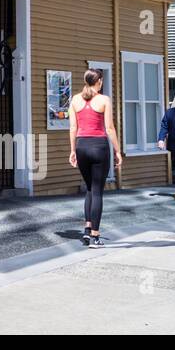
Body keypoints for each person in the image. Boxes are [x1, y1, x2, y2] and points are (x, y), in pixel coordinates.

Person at [68, 69, 123, 247]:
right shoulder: (104, 99)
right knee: (98, 190)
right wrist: (117, 151)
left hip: (81, 146)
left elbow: (73, 129)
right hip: (99, 146)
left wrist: (72, 151)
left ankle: (87, 230)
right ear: (98, 81)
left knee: (90, 189)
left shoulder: (75, 99)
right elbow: (109, 128)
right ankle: (95, 236)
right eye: (102, 80)